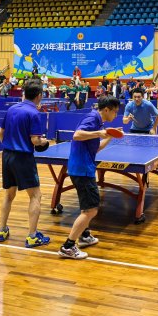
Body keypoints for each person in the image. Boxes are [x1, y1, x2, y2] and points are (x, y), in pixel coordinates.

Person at [58, 96, 121, 259]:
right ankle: (68, 246)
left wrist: (109, 136)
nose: (115, 115)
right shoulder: (92, 118)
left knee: (87, 207)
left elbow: (96, 148)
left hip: (82, 168)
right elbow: (77, 135)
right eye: (115, 112)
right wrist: (99, 133)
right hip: (82, 170)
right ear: (106, 109)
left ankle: (85, 235)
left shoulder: (98, 122)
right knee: (91, 209)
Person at [0, 79, 51, 248]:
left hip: (7, 156)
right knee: (36, 196)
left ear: (24, 94)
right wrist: (44, 141)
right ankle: (32, 236)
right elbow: (35, 140)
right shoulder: (34, 113)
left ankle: (2, 230)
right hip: (23, 158)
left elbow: (0, 133)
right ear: (39, 95)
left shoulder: (11, 109)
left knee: (9, 195)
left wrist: (10, 146)